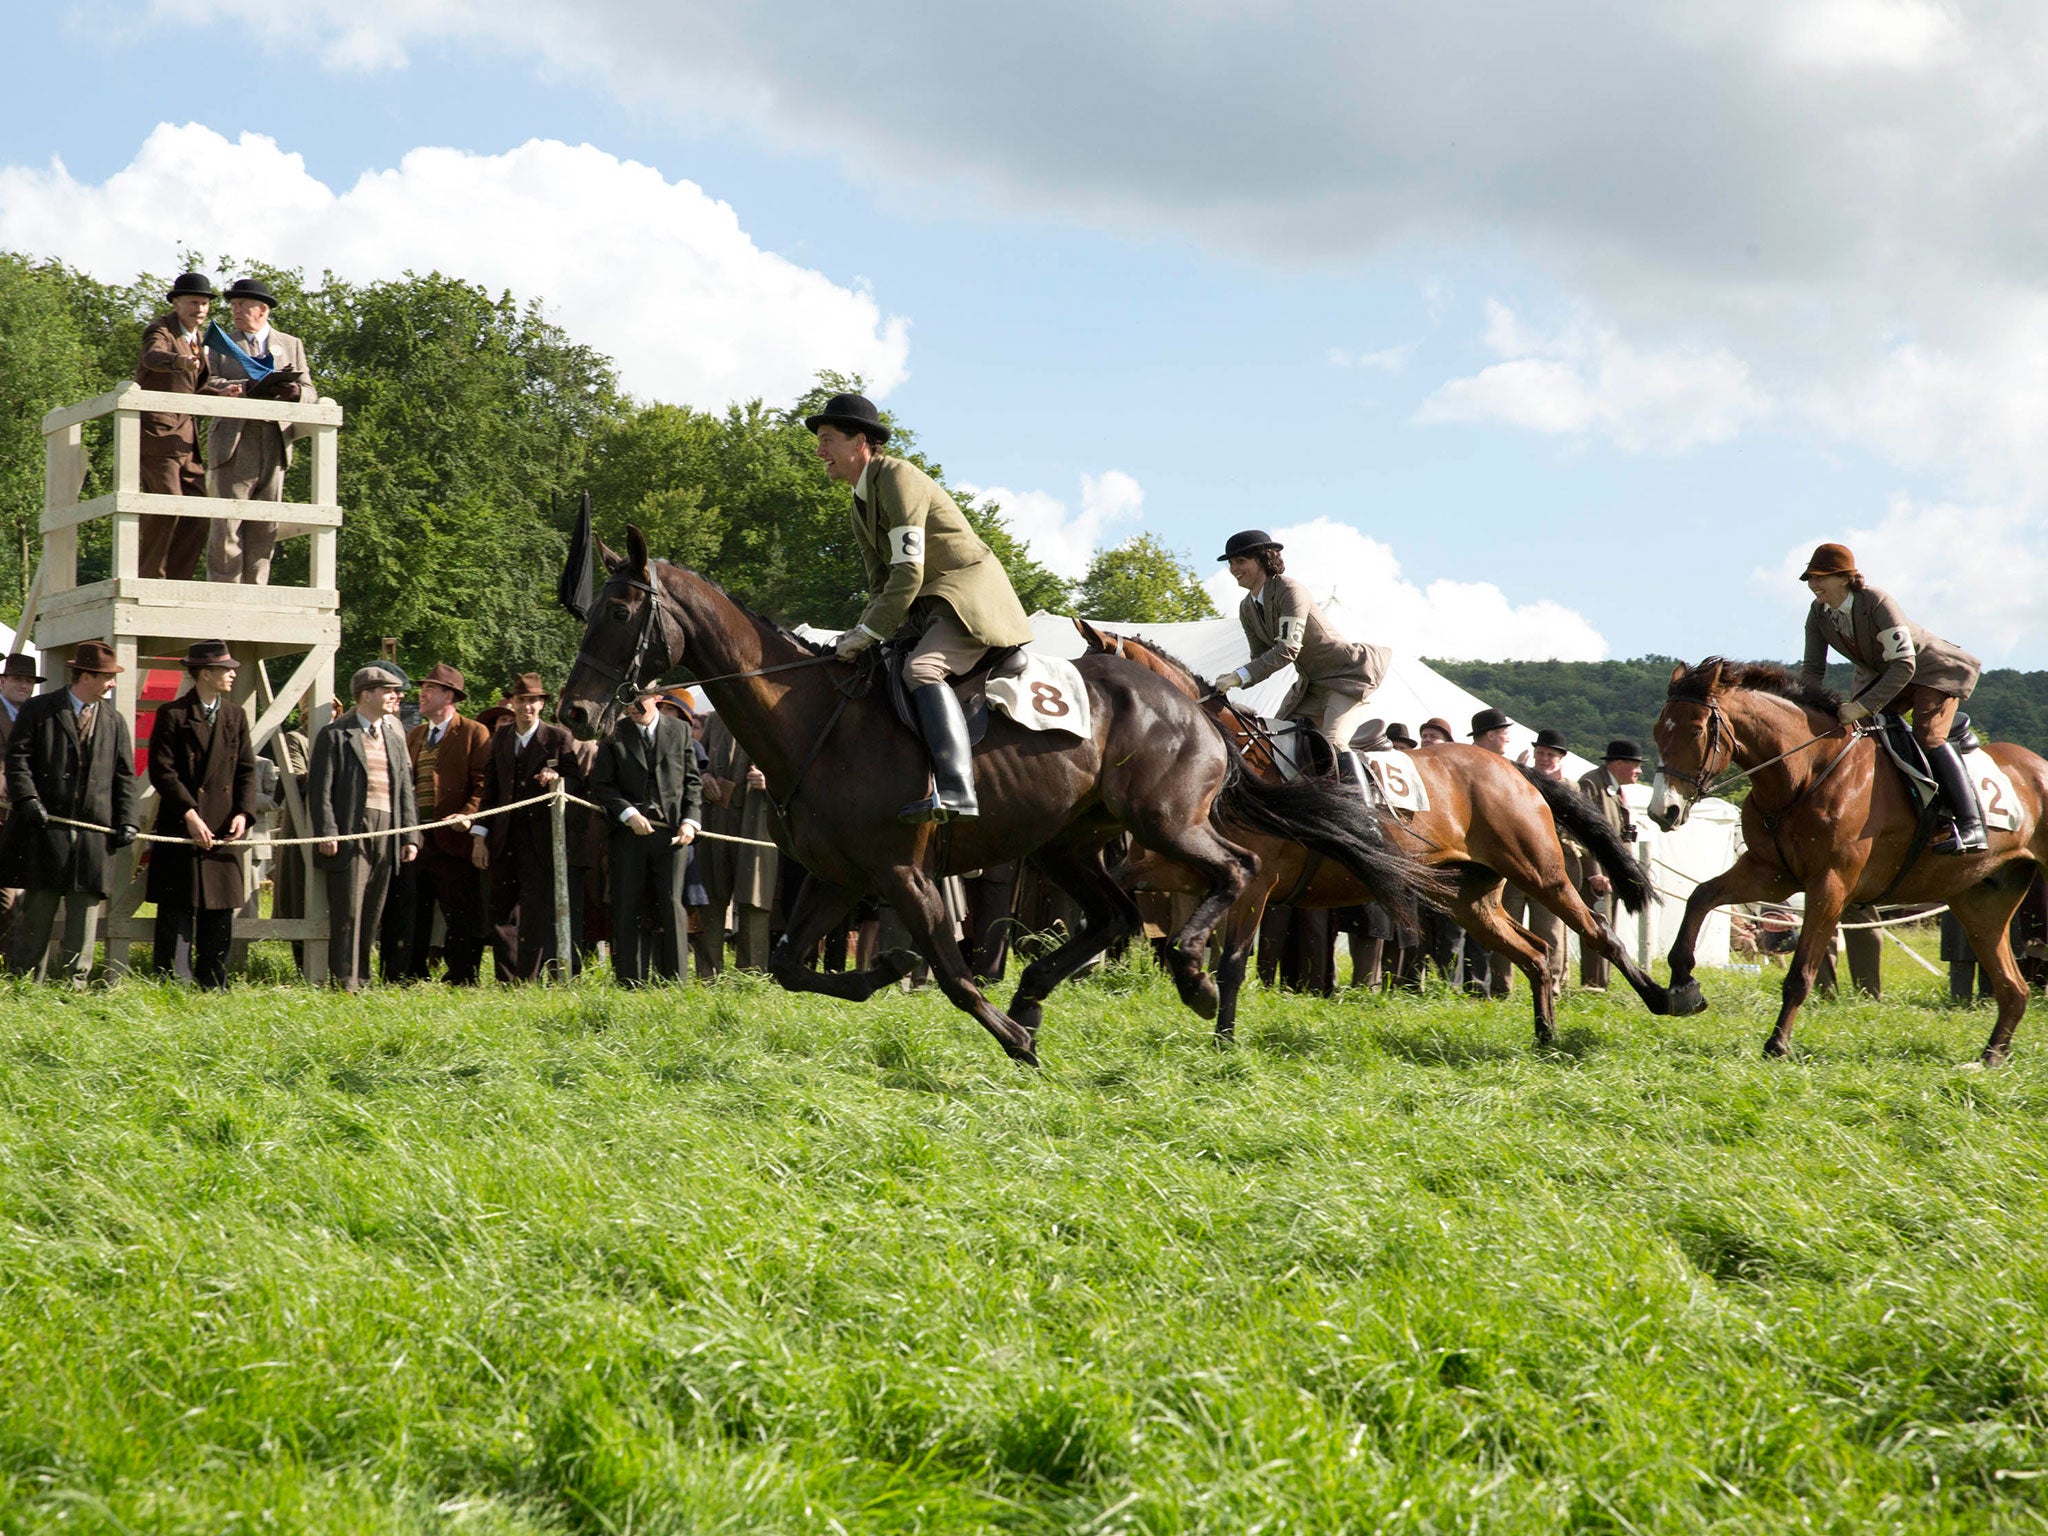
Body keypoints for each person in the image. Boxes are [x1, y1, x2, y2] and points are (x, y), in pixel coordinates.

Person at [807, 392, 1035, 822]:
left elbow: (908, 573)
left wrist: (869, 632)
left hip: (966, 598)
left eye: (827, 439)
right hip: (926, 609)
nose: (819, 451)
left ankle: (956, 789)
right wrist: (861, 634)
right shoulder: (859, 503)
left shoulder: (898, 478)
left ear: (860, 442)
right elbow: (880, 585)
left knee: (921, 670)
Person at [1798, 542, 1985, 853]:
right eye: (1810, 580)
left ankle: (1971, 824)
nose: (1814, 585)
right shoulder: (1818, 613)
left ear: (1845, 578)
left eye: (1821, 577)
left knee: (1928, 736)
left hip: (1931, 670)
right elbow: (1813, 669)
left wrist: (1860, 706)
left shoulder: (1876, 600)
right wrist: (1804, 707)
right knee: (1861, 735)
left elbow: (1904, 664)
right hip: (1884, 676)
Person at [1213, 530, 1391, 803]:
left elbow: (1287, 649)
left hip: (1345, 678)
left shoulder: (1290, 590)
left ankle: (1365, 815)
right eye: (1231, 564)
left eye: (1240, 561)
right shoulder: (1246, 607)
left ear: (1262, 559)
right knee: (1273, 740)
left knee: (1333, 745)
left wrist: (1237, 678)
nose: (1234, 569)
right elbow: (1260, 657)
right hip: (1310, 686)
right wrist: (1232, 682)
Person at [0, 641, 139, 983]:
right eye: (107, 677)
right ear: (87, 676)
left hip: (93, 836)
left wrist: (128, 820)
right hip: (45, 831)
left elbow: (124, 775)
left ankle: (73, 987)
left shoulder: (114, 720)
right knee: (38, 914)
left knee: (84, 917)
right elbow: (17, 761)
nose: (112, 684)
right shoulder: (40, 709)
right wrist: (28, 800)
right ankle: (24, 982)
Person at [146, 641, 258, 988]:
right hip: (182, 825)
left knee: (220, 910)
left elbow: (246, 770)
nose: (233, 674)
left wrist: (243, 813)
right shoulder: (173, 714)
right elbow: (162, 770)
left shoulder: (235, 715)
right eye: (226, 669)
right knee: (177, 908)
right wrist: (190, 814)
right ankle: (173, 984)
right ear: (205, 674)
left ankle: (214, 984)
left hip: (224, 826)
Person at [308, 665, 420, 989]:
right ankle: (345, 979)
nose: (394, 696)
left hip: (387, 830)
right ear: (366, 695)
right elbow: (321, 790)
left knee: (373, 908)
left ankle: (364, 978)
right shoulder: (335, 734)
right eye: (387, 690)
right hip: (351, 830)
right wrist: (328, 832)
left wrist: (410, 835)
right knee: (348, 910)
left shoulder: (394, 735)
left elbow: (405, 789)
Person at [204, 277, 316, 585]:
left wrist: (295, 393)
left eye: (242, 305)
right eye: (233, 306)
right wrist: (239, 387)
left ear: (263, 309)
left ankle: (257, 592)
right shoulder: (220, 343)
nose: (236, 311)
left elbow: (311, 391)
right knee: (227, 523)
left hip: (276, 442)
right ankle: (224, 593)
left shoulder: (291, 344)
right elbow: (207, 383)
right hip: (234, 441)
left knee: (265, 524)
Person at [592, 683, 702, 985]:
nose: (631, 707)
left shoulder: (679, 731)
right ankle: (629, 981)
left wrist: (691, 821)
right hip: (629, 835)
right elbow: (601, 785)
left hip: (672, 836)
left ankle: (676, 982)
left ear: (656, 697)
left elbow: (693, 783)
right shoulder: (614, 732)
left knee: (671, 904)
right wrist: (629, 814)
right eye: (626, 701)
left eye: (637, 700)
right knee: (628, 904)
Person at [469, 673, 576, 981]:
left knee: (534, 911)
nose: (527, 707)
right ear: (511, 703)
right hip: (503, 836)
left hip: (540, 839)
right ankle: (506, 979)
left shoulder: (557, 739)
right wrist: (480, 836)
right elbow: (490, 788)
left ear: (542, 705)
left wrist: (557, 778)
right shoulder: (500, 738)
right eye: (521, 700)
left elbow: (578, 779)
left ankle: (527, 977)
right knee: (500, 910)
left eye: (533, 701)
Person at [136, 272, 228, 581]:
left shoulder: (199, 340)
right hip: (158, 433)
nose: (200, 309)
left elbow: (191, 389)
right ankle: (150, 579)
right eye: (193, 302)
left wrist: (221, 392)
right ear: (176, 303)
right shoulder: (160, 330)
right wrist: (179, 361)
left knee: (199, 513)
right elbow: (152, 357)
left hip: (187, 440)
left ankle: (177, 581)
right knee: (167, 506)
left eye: (204, 304)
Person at [403, 663, 491, 983]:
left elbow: (484, 783)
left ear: (449, 696)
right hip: (419, 840)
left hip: (454, 841)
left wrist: (467, 815)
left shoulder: (473, 732)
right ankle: (412, 973)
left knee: (460, 912)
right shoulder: (414, 735)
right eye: (423, 688)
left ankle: (462, 975)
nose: (422, 694)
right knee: (415, 909)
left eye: (430, 689)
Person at [700, 710, 780, 971]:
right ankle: (707, 976)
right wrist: (704, 777)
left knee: (754, 898)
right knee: (711, 895)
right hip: (716, 816)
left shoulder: (774, 717)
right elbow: (696, 761)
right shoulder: (715, 718)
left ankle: (751, 975)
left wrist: (771, 781)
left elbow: (799, 769)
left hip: (757, 819)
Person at [1575, 738, 1643, 990]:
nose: (1639, 770)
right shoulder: (1591, 784)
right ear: (1618, 763)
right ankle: (1592, 985)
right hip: (1598, 875)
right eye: (1635, 764)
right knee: (1596, 928)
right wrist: (1594, 874)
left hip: (1612, 873)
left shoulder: (1615, 788)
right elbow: (1586, 834)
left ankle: (1601, 984)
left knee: (1608, 929)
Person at [0, 653, 42, 946]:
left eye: (29, 681)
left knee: (14, 900)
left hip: (20, 817)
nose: (24, 685)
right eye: (17, 679)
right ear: (2, 681)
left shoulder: (36, 717)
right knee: (5, 900)